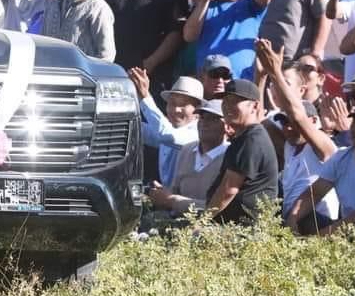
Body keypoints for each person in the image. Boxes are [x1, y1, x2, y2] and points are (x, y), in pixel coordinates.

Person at [257, 39, 340, 233]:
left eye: (293, 124)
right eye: (284, 123)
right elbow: (256, 120)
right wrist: (261, 77)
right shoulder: (289, 146)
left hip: (319, 223)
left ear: (312, 121)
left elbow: (297, 115)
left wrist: (275, 72)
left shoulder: (322, 144)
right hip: (291, 221)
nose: (288, 128)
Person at [286, 102, 355, 236]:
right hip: (346, 226)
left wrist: (326, 234)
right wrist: (292, 219)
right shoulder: (341, 156)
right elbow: (315, 193)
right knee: (303, 217)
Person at [183, 0, 274, 81]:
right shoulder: (206, 6)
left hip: (240, 82)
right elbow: (189, 36)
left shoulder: (250, 4)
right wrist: (204, 0)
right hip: (208, 84)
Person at [205, 78, 280, 224]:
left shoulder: (252, 139)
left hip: (245, 232)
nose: (227, 106)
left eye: (234, 101)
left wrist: (201, 223)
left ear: (255, 106)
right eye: (225, 101)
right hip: (231, 226)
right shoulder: (243, 137)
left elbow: (229, 190)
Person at [146, 98, 230, 217]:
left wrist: (171, 200)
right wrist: (161, 193)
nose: (205, 123)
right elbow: (175, 190)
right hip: (177, 222)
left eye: (213, 119)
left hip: (209, 228)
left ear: (228, 127)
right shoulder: (187, 150)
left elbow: (217, 208)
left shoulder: (231, 157)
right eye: (202, 117)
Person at [130, 69, 202, 187]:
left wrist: (145, 97)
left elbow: (167, 135)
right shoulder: (167, 128)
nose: (176, 110)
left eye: (184, 104)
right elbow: (136, 129)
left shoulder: (198, 133)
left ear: (198, 110)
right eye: (172, 103)